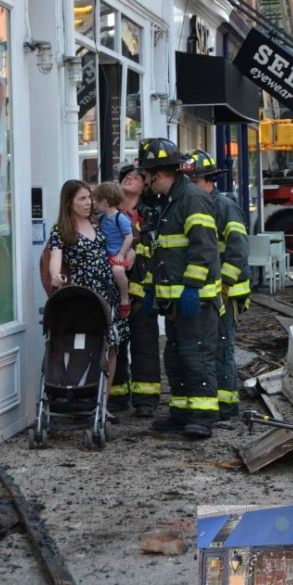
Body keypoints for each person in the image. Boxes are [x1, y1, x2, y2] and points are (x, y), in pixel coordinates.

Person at [137, 138, 222, 439]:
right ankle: (182, 412)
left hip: (195, 300)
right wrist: (150, 289)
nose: (145, 183)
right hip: (172, 301)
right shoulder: (168, 202)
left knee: (196, 356)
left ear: (159, 174)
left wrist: (191, 288)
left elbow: (204, 250)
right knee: (175, 357)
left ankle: (202, 417)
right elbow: (159, 253)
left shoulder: (191, 199)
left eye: (146, 177)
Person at [182, 150, 251, 419]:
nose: (191, 188)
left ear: (210, 181)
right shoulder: (197, 205)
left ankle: (227, 404)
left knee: (222, 345)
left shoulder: (223, 206)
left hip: (228, 293)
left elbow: (238, 250)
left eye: (195, 183)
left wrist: (224, 286)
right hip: (210, 291)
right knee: (209, 347)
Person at [47, 179, 120, 387]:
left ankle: (104, 403)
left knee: (112, 346)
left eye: (90, 198)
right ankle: (82, 393)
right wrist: (55, 274)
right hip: (84, 294)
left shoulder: (98, 222)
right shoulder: (61, 229)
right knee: (87, 344)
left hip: (107, 290)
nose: (89, 202)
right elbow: (55, 258)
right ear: (69, 202)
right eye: (82, 198)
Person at [106, 163, 163, 418]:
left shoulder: (151, 214)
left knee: (145, 344)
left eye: (137, 176)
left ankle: (145, 399)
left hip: (144, 289)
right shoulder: (106, 215)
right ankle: (116, 397)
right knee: (114, 342)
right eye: (125, 175)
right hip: (112, 291)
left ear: (146, 185)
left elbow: (158, 250)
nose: (130, 177)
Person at [91, 181, 134, 318]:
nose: (93, 204)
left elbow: (129, 237)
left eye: (95, 200)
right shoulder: (102, 218)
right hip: (107, 255)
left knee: (118, 270)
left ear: (104, 202)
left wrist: (122, 254)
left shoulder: (120, 218)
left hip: (117, 255)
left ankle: (125, 297)